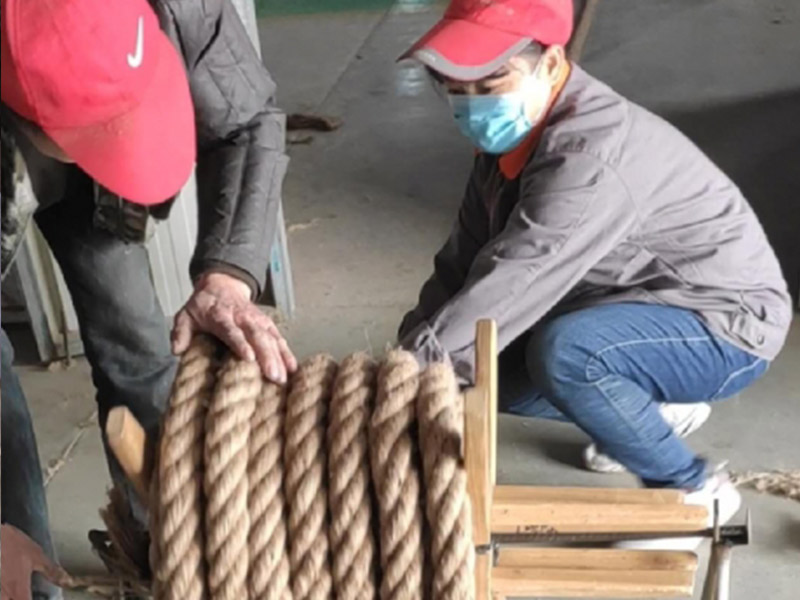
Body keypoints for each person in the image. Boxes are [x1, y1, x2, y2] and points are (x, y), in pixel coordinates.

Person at [398, 0, 792, 541]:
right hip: (630, 304)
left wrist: (411, 373)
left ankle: (691, 492)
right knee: (489, 368)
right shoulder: (512, 139)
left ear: (551, 63)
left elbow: (518, 277)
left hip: (723, 324)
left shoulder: (589, 157)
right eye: (456, 88)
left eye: (490, 84)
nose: (471, 105)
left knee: (568, 353)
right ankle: (647, 410)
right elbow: (462, 264)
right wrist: (401, 359)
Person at [1, 0, 297, 597]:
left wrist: (226, 277)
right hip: (24, 124)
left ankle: (169, 554)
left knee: (136, 345)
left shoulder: (183, 6)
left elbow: (244, 119)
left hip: (78, 133)